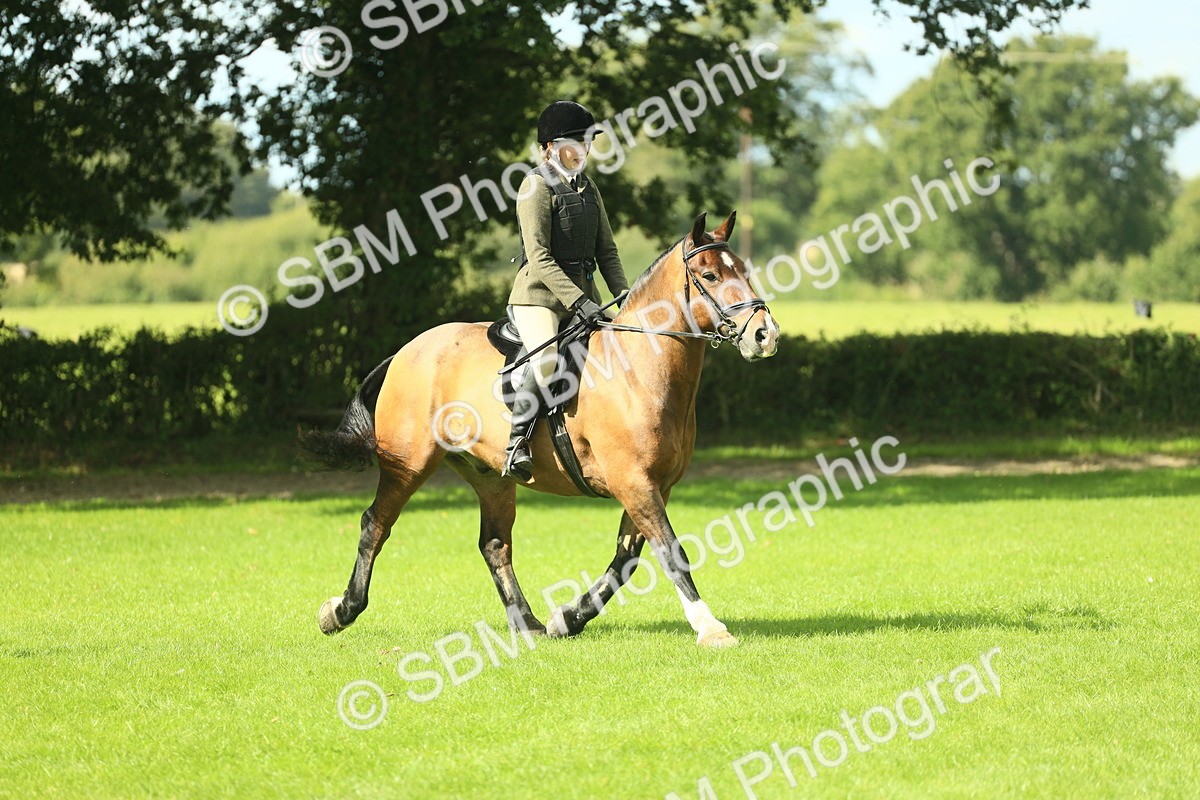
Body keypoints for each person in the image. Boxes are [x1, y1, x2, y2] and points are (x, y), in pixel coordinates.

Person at [502, 100, 630, 480]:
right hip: (538, 298)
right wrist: (580, 303)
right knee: (546, 361)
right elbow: (539, 257)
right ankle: (516, 444)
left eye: (585, 143)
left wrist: (624, 300)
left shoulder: (589, 189)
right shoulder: (535, 186)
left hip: (583, 301)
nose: (582, 150)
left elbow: (607, 252)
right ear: (549, 147)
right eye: (573, 143)